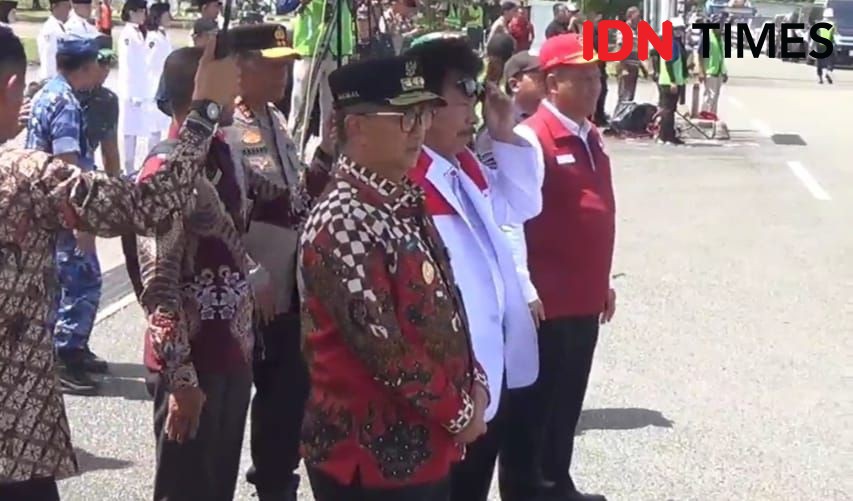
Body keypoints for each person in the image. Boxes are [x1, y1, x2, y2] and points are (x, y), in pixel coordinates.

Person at [0, 27, 238, 500]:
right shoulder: (22, 177)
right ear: (11, 88)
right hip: (14, 443)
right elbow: (152, 203)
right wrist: (205, 110)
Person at [132, 41, 334, 501]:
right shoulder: (164, 169)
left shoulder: (224, 152)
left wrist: (330, 152)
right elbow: (158, 286)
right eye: (228, 79)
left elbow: (282, 205)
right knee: (185, 487)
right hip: (192, 357)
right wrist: (180, 378)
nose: (236, 88)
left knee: (216, 483)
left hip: (230, 348)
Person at [299, 54, 489, 500]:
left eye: (422, 114)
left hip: (419, 445)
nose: (418, 129)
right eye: (404, 117)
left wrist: (473, 381)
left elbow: (445, 302)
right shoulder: (343, 217)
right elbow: (386, 350)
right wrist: (463, 414)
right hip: (372, 459)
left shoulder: (398, 198)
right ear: (357, 127)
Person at [405, 36, 542, 501]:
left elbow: (522, 206)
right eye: (462, 90)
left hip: (485, 376)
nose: (472, 106)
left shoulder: (462, 165)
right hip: (447, 388)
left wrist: (503, 135)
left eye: (475, 89)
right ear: (422, 103)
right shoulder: (408, 180)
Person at [223, 23, 334, 501]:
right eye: (271, 64)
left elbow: (294, 201)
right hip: (246, 288)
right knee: (230, 404)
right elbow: (215, 216)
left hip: (288, 289)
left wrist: (326, 153)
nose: (283, 73)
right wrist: (249, 269)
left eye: (287, 64)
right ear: (239, 68)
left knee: (285, 399)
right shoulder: (224, 126)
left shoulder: (278, 123)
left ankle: (274, 484)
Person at [513, 33, 614, 501]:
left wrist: (602, 282)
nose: (596, 87)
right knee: (537, 407)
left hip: (583, 296)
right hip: (548, 302)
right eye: (584, 78)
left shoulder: (589, 134)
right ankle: (529, 488)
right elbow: (512, 221)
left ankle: (557, 482)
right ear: (553, 84)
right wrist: (525, 286)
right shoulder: (533, 139)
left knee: (567, 401)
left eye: (597, 77)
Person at [24, 34, 107, 394]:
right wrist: (79, 221)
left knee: (62, 282)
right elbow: (66, 167)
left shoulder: (45, 93)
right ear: (86, 68)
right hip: (62, 211)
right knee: (82, 279)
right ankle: (65, 357)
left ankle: (74, 349)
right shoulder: (67, 104)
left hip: (41, 206)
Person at [286, 0, 355, 151]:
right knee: (301, 109)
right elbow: (283, 6)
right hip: (309, 49)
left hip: (339, 47)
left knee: (334, 111)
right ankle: (292, 156)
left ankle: (328, 156)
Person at [117, 0, 150, 174]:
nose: (144, 15)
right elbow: (128, 65)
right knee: (129, 131)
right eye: (141, 11)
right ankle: (127, 167)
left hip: (139, 89)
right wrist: (132, 92)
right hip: (130, 91)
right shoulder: (128, 35)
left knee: (136, 129)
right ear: (131, 12)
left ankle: (132, 167)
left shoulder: (138, 33)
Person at [82, 35, 120, 177]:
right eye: (101, 61)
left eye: (109, 62)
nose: (106, 69)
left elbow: (110, 151)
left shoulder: (107, 101)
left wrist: (117, 187)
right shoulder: (65, 93)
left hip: (84, 176)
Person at [145, 2, 172, 142]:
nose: (170, 18)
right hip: (154, 86)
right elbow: (150, 65)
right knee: (154, 130)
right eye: (167, 15)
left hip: (165, 85)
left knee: (164, 127)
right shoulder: (153, 38)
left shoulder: (164, 35)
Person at [656, 17, 687, 145]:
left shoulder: (675, 43)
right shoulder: (670, 43)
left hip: (673, 80)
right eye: (677, 29)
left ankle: (668, 135)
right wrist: (673, 81)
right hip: (669, 81)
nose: (680, 32)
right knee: (668, 111)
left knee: (669, 110)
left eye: (681, 29)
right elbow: (668, 63)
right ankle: (666, 136)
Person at [616, 6, 648, 104]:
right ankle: (619, 116)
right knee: (624, 95)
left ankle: (626, 115)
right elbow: (620, 48)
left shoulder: (637, 31)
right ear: (630, 16)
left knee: (630, 95)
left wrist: (642, 67)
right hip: (626, 66)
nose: (639, 19)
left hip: (634, 66)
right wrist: (623, 67)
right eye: (637, 16)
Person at [698, 15, 728, 115]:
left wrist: (724, 72)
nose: (721, 26)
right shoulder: (708, 36)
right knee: (708, 97)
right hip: (709, 72)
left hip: (718, 72)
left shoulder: (719, 38)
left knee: (715, 97)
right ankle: (705, 117)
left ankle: (712, 117)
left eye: (722, 24)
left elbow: (720, 57)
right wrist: (701, 71)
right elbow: (701, 55)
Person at [37, 0, 71, 81]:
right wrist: (49, 80)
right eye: (65, 6)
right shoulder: (50, 29)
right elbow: (48, 57)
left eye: (69, 6)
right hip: (51, 79)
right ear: (54, 7)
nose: (68, 10)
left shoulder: (60, 26)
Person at [814, 10, 836, 84]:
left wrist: (813, 46)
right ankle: (827, 73)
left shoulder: (818, 24)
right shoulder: (833, 24)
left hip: (819, 45)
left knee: (819, 62)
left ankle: (820, 78)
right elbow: (834, 36)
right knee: (829, 61)